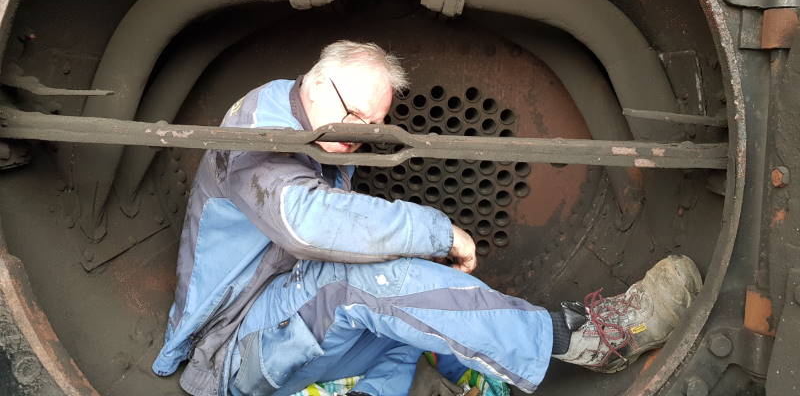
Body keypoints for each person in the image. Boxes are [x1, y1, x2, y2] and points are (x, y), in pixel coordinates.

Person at [152, 40, 703, 396]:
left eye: (371, 126)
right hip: (229, 347)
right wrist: (439, 231)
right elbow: (308, 222)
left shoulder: (308, 114)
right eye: (352, 115)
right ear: (317, 82)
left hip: (280, 313)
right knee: (369, 283)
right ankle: (584, 339)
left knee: (415, 317)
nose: (356, 135)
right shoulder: (261, 130)